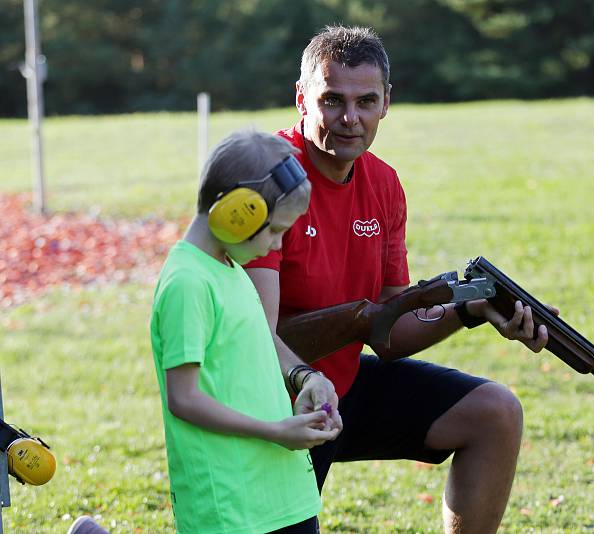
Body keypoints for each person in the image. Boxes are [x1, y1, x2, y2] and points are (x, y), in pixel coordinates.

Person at [245, 26, 558, 534]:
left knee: (495, 413)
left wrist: (468, 308)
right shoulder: (269, 178)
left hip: (341, 387)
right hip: (270, 404)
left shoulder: (384, 184)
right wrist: (310, 377)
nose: (350, 118)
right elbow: (256, 336)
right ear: (300, 100)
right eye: (332, 100)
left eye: (366, 101)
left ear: (387, 102)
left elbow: (389, 334)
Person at [150, 129, 340, 533]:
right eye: (273, 230)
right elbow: (183, 398)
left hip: (281, 490)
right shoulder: (188, 282)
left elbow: (253, 356)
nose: (275, 245)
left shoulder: (231, 271)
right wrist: (273, 431)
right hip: (232, 505)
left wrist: (308, 381)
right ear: (236, 212)